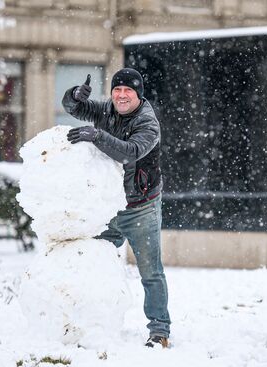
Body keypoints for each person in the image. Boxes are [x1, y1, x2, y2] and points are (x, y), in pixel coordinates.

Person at [62, 68, 171, 348]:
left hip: (140, 207)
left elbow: (129, 152)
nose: (121, 96)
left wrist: (96, 136)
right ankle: (93, 325)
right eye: (117, 90)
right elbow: (74, 108)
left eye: (128, 91)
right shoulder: (107, 110)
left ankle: (159, 331)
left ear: (138, 95)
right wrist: (75, 96)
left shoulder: (148, 123)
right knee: (94, 266)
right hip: (109, 206)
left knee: (151, 272)